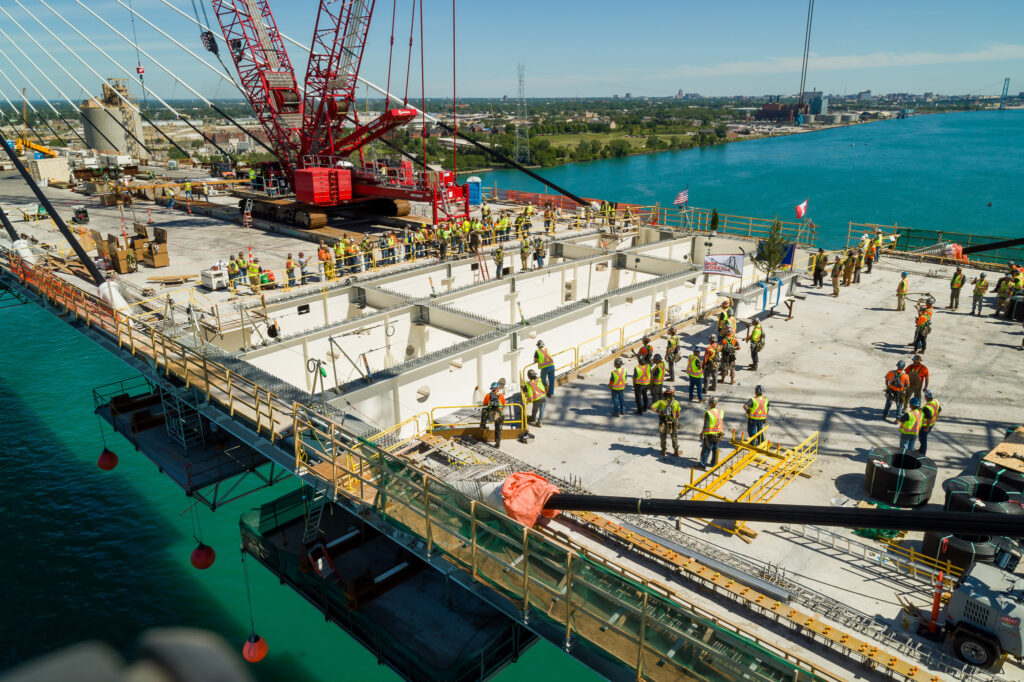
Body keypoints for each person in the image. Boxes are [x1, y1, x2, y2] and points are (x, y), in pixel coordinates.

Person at [652, 387, 682, 458]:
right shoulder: (676, 402)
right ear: (673, 394)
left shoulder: (661, 402)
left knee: (663, 436)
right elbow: (678, 414)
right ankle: (676, 451)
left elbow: (652, 407)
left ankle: (663, 450)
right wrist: (677, 421)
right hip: (672, 422)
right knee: (674, 436)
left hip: (662, 421)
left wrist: (659, 412)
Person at [699, 397, 725, 469]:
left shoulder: (709, 413)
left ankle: (702, 465)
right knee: (715, 449)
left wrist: (702, 433)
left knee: (706, 450)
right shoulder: (721, 412)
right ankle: (714, 464)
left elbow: (706, 426)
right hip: (718, 433)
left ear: (710, 403)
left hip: (710, 434)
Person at [479, 382, 506, 448]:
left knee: (484, 410)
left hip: (490, 414)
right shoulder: (501, 395)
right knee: (497, 428)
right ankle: (497, 443)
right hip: (498, 414)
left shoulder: (488, 395)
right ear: (497, 389)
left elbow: (484, 403)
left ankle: (483, 424)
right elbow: (503, 404)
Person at [918, 390, 941, 455]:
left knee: (923, 440)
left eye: (925, 396)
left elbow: (929, 418)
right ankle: (921, 449)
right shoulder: (936, 401)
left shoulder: (927, 407)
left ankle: (922, 453)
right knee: (923, 439)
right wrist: (936, 418)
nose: (924, 397)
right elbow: (939, 410)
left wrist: (927, 427)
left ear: (926, 397)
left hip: (925, 426)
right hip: (931, 424)